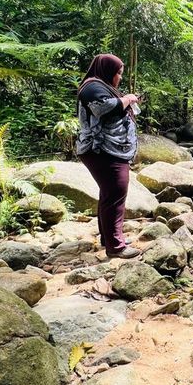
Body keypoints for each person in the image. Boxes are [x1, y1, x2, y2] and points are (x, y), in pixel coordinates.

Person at [76, 54, 141, 259]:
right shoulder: (91, 87)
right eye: (118, 73)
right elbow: (103, 108)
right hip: (101, 150)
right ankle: (116, 246)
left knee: (109, 194)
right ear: (107, 71)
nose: (120, 78)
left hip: (110, 150)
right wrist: (127, 99)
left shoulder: (100, 85)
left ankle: (109, 238)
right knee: (114, 194)